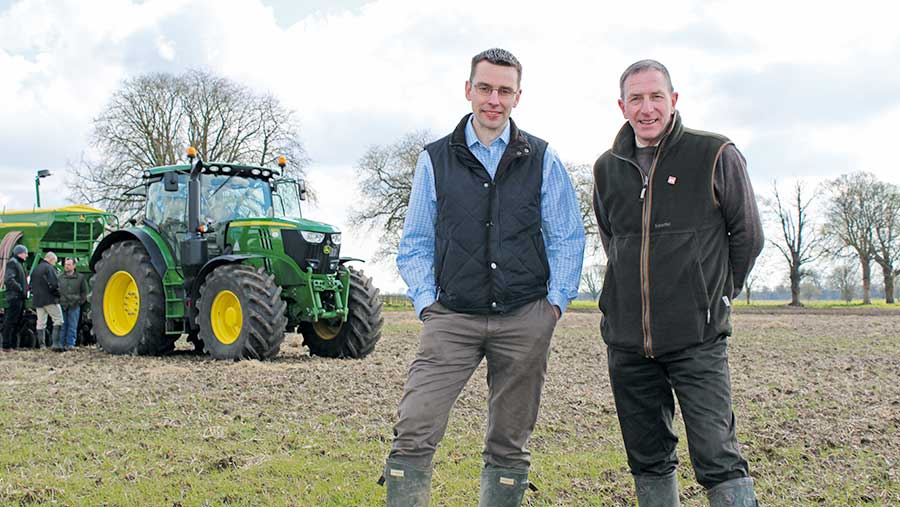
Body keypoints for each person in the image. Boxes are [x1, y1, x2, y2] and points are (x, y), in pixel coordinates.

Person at [383, 48, 585, 506]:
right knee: (414, 427)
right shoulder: (434, 159)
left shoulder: (542, 158)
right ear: (468, 89)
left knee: (509, 443)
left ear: (518, 96)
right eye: (485, 88)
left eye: (505, 90)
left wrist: (553, 307)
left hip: (523, 318)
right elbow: (414, 241)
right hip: (452, 317)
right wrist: (426, 304)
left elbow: (568, 236)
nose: (494, 99)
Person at [592, 59, 764, 506]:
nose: (646, 108)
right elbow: (615, 243)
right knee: (647, 457)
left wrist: (715, 295)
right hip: (628, 343)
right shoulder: (606, 168)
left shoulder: (715, 154)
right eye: (636, 99)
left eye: (655, 97)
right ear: (621, 106)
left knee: (717, 456)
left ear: (674, 100)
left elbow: (747, 235)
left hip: (697, 338)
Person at [31, 251, 63, 351]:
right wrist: (58, 294)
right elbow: (54, 284)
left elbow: (31, 284)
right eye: (55, 262)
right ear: (51, 259)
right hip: (49, 299)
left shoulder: (35, 269)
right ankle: (55, 344)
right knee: (58, 320)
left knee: (40, 322)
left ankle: (42, 346)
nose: (54, 264)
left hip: (37, 300)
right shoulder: (49, 268)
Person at [58, 257, 89, 351]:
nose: (66, 266)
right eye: (65, 264)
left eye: (69, 265)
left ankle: (70, 344)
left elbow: (85, 292)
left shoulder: (80, 278)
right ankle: (61, 344)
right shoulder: (60, 277)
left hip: (74, 305)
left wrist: (79, 301)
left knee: (72, 326)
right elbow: (55, 290)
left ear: (74, 266)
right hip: (63, 304)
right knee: (62, 325)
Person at [2, 244, 29, 349]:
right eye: (25, 253)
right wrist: (21, 289)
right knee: (10, 321)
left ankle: (12, 345)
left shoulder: (18, 263)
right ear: (20, 253)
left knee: (16, 322)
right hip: (15, 297)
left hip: (18, 297)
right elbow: (9, 279)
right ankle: (7, 345)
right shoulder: (13, 263)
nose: (26, 255)